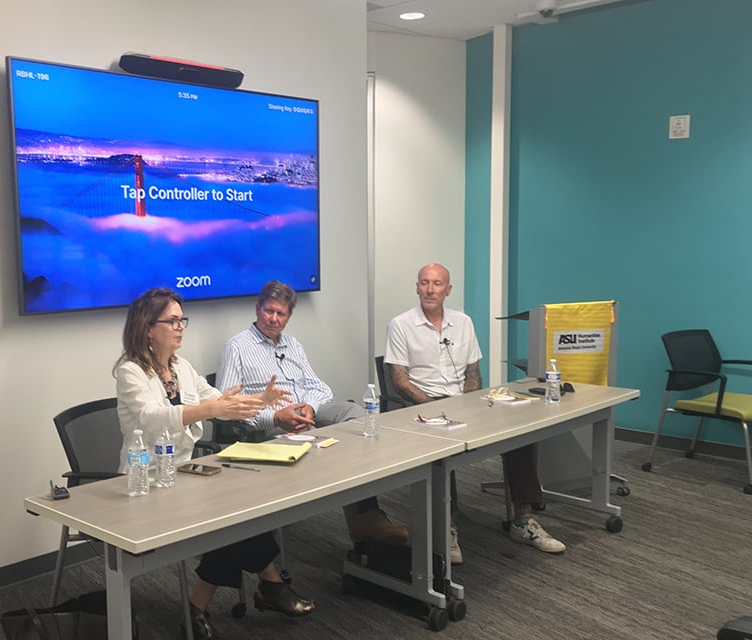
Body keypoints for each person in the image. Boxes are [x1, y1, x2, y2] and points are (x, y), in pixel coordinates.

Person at [114, 288, 314, 640]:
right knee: (229, 519)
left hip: (183, 476)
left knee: (238, 509)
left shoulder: (182, 367)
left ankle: (204, 606)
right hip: (143, 483)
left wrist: (261, 399)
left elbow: (222, 400)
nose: (180, 327)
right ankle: (265, 584)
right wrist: (212, 410)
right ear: (148, 327)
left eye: (181, 320)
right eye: (172, 320)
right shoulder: (130, 371)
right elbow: (150, 417)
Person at [385, 263, 566, 561]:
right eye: (425, 283)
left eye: (437, 284)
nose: (430, 290)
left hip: (463, 401)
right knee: (442, 447)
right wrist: (432, 406)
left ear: (448, 289)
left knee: (520, 432)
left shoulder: (464, 322)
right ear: (416, 287)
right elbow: (400, 380)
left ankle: (522, 520)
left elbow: (474, 372)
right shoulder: (400, 324)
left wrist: (469, 403)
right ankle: (448, 527)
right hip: (423, 406)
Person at [217, 280, 409, 545]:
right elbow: (228, 406)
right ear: (257, 308)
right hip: (273, 422)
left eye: (280, 313)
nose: (273, 319)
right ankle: (361, 516)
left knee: (355, 414)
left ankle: (365, 513)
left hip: (309, 411)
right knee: (316, 439)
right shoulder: (237, 347)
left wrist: (310, 406)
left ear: (289, 316)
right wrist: (275, 416)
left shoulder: (293, 345)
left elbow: (319, 386)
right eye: (268, 311)